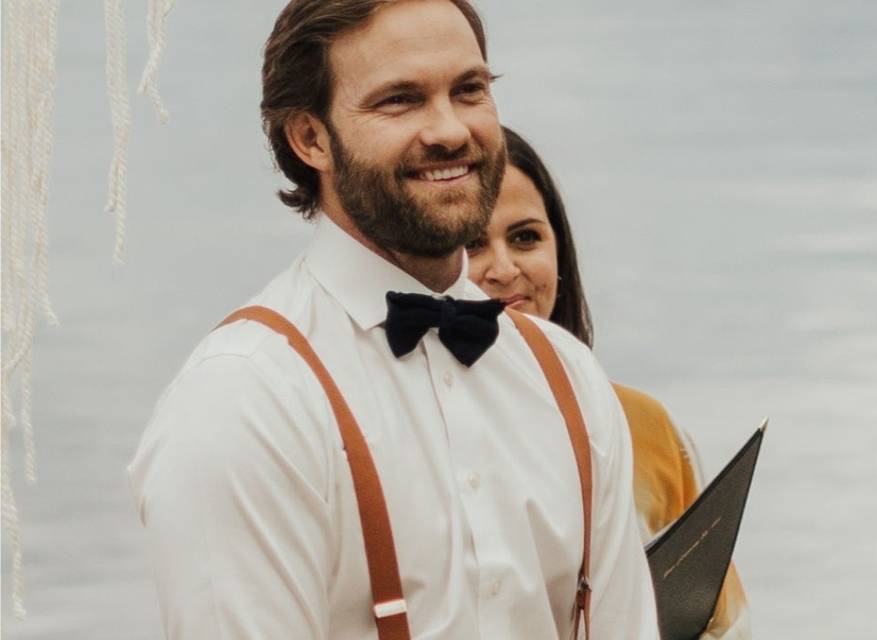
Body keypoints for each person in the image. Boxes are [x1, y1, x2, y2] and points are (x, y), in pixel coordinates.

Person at [128, 1, 660, 638]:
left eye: (469, 91)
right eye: (400, 100)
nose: (450, 130)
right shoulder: (243, 402)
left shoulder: (568, 378)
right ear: (311, 138)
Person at [466, 126, 752, 639]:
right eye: (470, 244)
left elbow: (724, 618)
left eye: (526, 237)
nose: (504, 269)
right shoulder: (391, 428)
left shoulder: (643, 427)